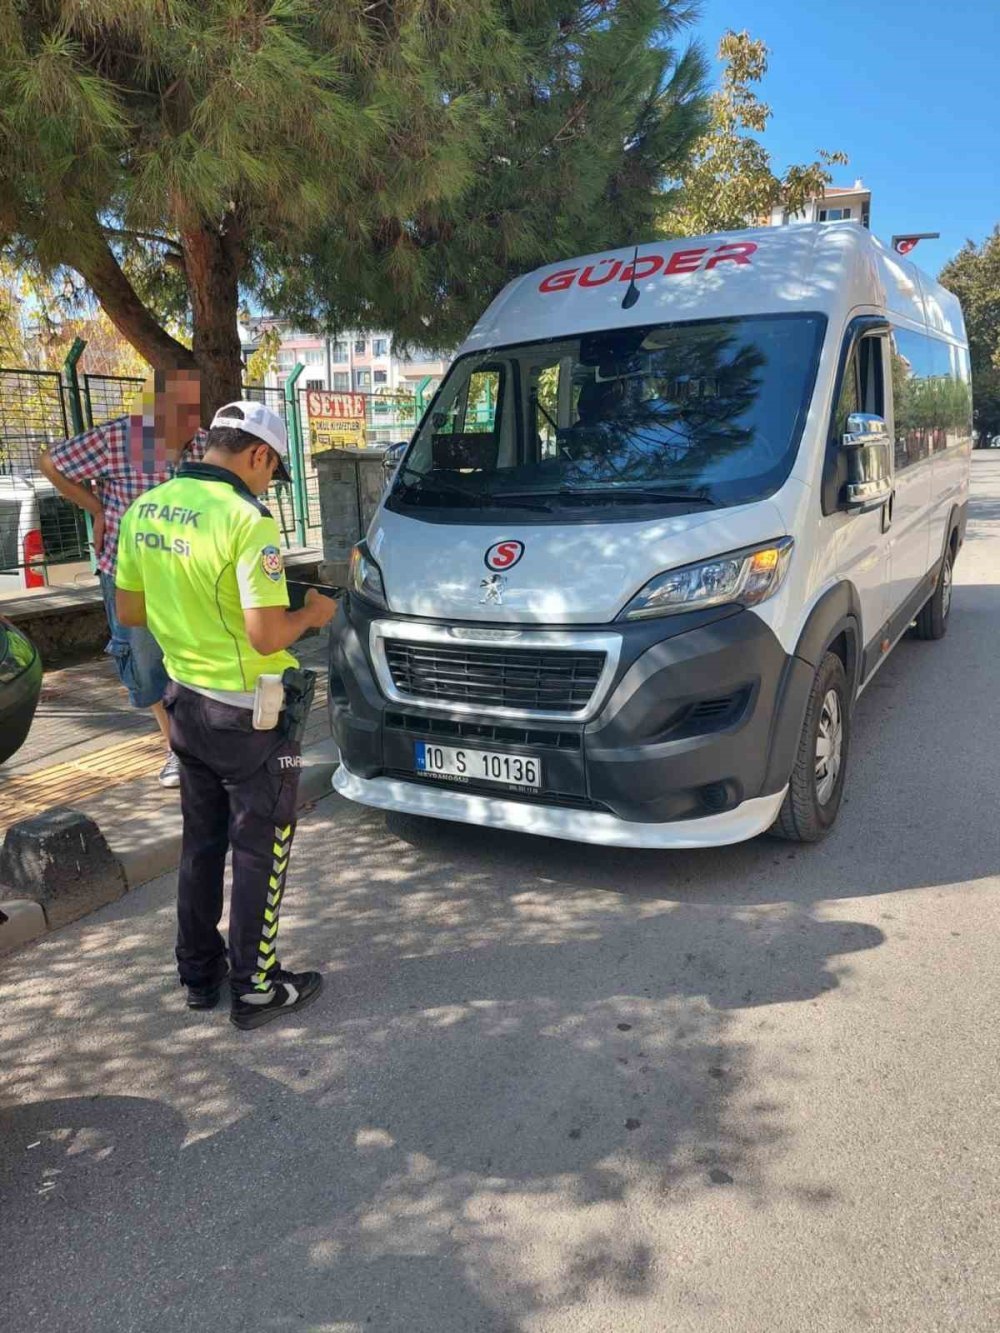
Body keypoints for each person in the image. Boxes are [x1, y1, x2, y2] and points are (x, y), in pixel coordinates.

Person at [114, 401, 335, 1030]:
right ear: (259, 455)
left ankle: (198, 973)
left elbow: (131, 613)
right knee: (263, 846)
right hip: (248, 714)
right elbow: (267, 635)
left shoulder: (146, 507)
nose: (270, 485)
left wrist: (195, 616)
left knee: (202, 844)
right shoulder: (248, 519)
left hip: (183, 704)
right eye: (273, 472)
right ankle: (258, 987)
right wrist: (314, 615)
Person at [39, 368, 207, 787]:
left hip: (188, 573)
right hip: (130, 573)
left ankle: (200, 746)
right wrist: (96, 508)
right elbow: (51, 463)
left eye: (195, 408)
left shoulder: (203, 444)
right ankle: (178, 752)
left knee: (194, 659)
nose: (192, 421)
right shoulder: (118, 438)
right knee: (147, 663)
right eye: (181, 410)